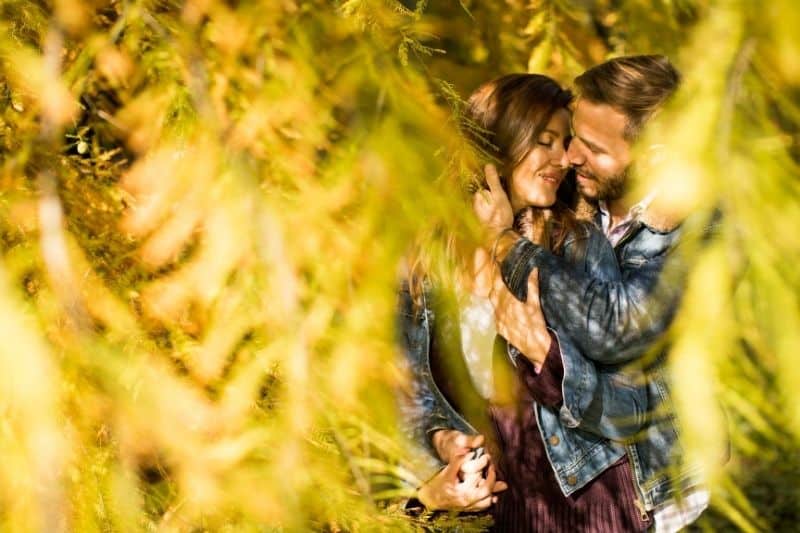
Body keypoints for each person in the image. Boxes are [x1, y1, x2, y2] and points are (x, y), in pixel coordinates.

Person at [398, 73, 652, 531]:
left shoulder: (576, 246)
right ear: (498, 146)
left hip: (587, 506)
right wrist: (440, 446)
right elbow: (410, 393)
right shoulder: (424, 264)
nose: (564, 159)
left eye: (566, 142)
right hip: (498, 509)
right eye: (545, 142)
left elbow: (630, 409)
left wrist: (548, 357)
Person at [479, 55, 710, 532]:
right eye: (571, 140)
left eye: (590, 146)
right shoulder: (580, 203)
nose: (570, 158)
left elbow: (616, 327)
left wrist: (505, 244)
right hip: (543, 487)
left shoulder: (695, 231)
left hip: (653, 492)